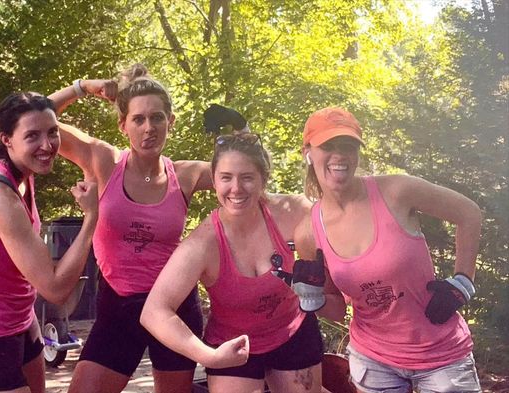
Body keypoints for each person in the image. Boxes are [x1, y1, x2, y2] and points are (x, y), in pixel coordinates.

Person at [47, 65, 247, 393]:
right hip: (119, 307)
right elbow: (36, 120)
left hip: (173, 305)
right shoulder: (103, 161)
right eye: (138, 119)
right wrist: (83, 86)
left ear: (171, 122)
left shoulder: (186, 175)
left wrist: (239, 128)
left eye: (157, 118)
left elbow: (246, 173)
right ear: (123, 125)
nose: (148, 128)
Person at [294, 106, 483, 393]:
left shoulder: (396, 191)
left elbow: (468, 213)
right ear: (308, 152)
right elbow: (335, 308)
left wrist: (462, 281)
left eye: (348, 146)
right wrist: (312, 298)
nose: (339, 155)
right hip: (374, 361)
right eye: (328, 146)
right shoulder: (309, 232)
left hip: (441, 355)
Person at [140, 131, 346, 393]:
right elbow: (154, 311)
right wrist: (207, 356)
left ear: (263, 179)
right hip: (233, 345)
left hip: (292, 331)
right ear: (213, 181)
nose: (236, 188)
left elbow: (343, 233)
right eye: (226, 178)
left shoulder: (292, 211)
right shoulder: (203, 244)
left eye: (247, 177)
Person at [0, 92, 98, 393]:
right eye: (33, 136)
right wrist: (91, 217)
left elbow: (40, 109)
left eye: (53, 133)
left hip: (20, 322)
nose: (47, 145)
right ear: (7, 139)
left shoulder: (22, 167)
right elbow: (55, 289)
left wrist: (82, 87)